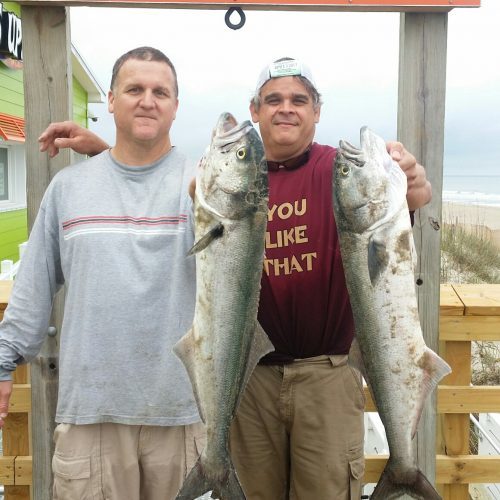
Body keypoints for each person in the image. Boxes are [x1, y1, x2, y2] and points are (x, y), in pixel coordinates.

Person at [34, 57, 432, 500]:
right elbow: (145, 174)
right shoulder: (227, 180)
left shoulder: (340, 172)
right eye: (273, 99)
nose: (286, 108)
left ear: (317, 111)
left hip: (327, 374)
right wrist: (101, 150)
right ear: (255, 109)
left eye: (299, 100)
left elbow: (395, 213)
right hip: (247, 377)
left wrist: (410, 185)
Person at [0, 46, 205, 500]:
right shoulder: (68, 189)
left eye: (160, 92)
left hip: (183, 415)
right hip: (89, 417)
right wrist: (3, 361)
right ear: (110, 100)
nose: (147, 100)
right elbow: (32, 292)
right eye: (134, 89)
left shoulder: (204, 187)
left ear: (175, 106)